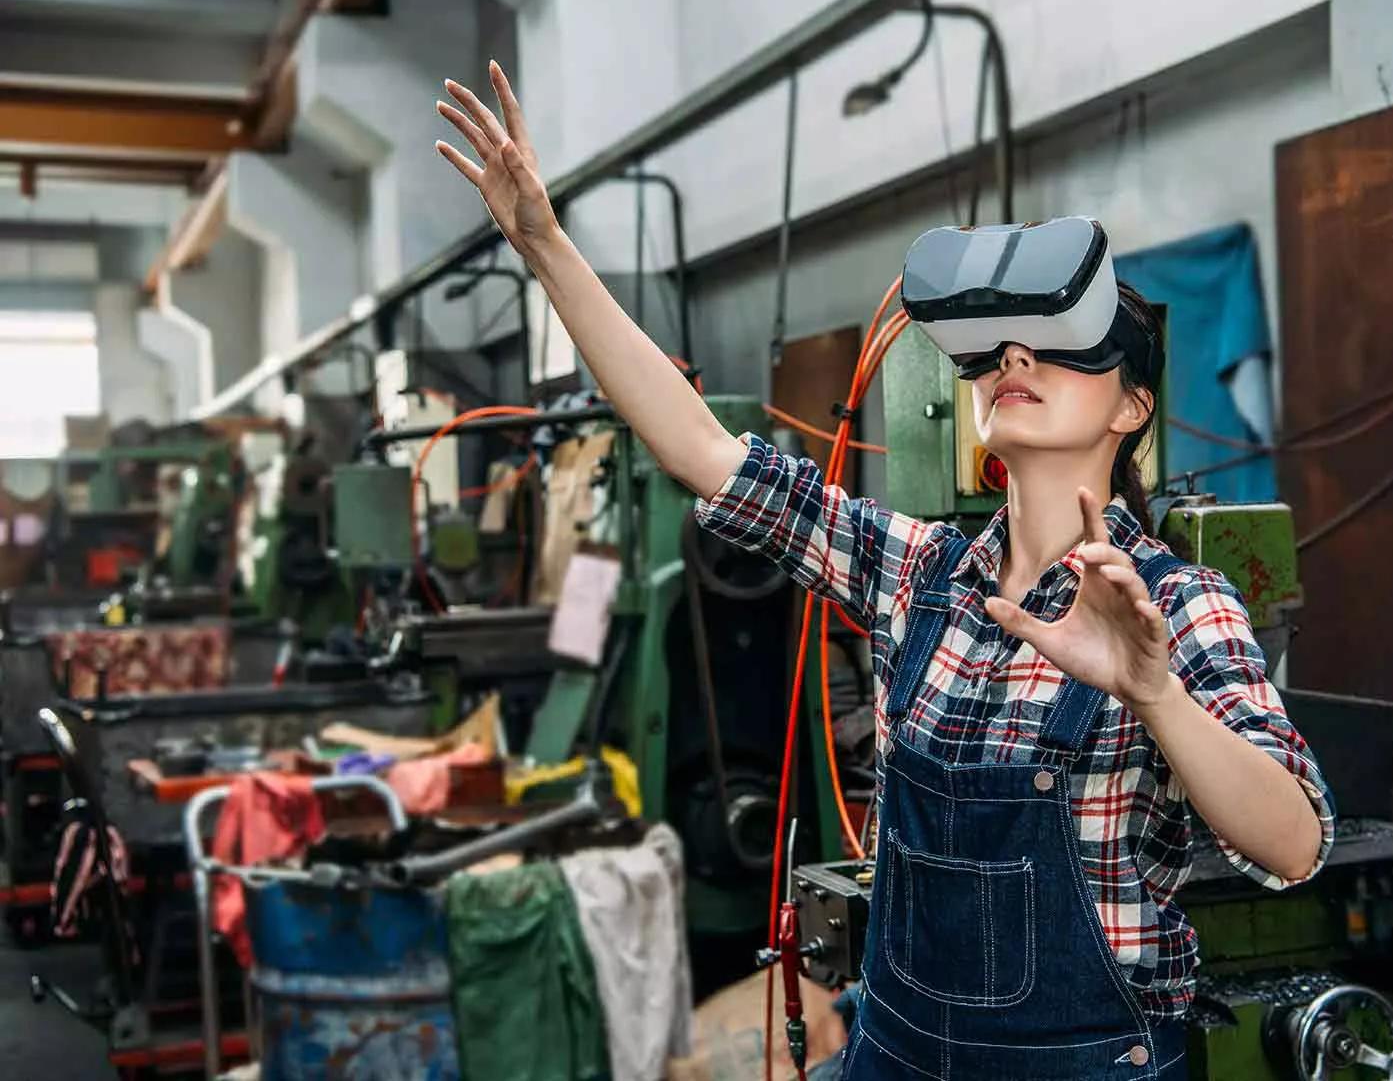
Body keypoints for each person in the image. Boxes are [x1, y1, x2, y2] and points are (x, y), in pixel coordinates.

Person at [436, 62, 1334, 1081]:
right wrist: (546, 246)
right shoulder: (922, 571)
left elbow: (1296, 841)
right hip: (899, 1050)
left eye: (1057, 347)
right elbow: (702, 449)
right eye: (999, 348)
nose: (1015, 360)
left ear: (1132, 406)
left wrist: (1155, 689)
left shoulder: (1178, 602)